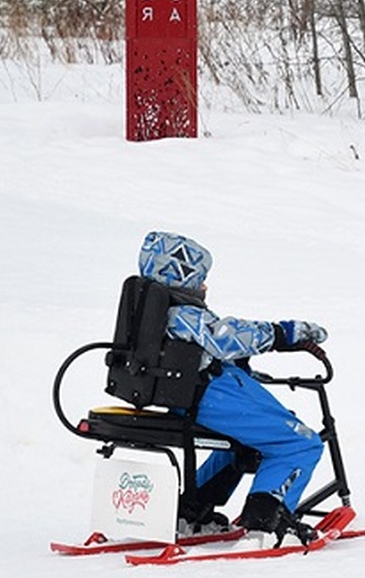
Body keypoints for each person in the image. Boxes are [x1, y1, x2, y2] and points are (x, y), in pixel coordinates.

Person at [137, 230, 330, 542]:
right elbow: (226, 339)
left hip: (189, 393)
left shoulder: (153, 308)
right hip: (211, 395)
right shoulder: (182, 313)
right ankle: (267, 522)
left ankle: (192, 510)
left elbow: (201, 353)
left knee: (246, 442)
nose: (204, 285)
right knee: (299, 443)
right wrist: (283, 334)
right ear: (180, 275)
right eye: (199, 277)